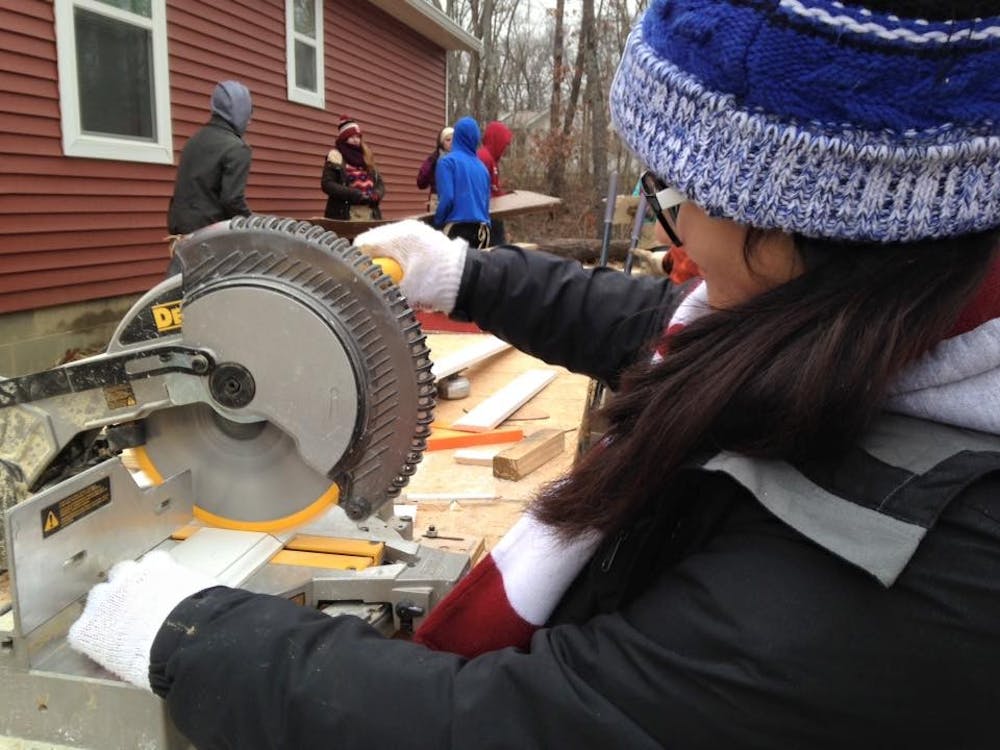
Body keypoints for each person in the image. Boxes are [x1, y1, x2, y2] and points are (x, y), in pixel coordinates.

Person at [69, 1, 1000, 747]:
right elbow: (663, 328)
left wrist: (196, 639)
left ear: (810, 227)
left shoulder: (921, 568)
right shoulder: (895, 330)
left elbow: (526, 720)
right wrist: (464, 274)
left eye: (676, 198)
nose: (670, 230)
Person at [167, 80, 253, 235]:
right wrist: (254, 225)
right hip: (210, 237)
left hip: (179, 230)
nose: (249, 122)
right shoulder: (236, 148)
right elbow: (232, 200)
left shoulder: (193, 141)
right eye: (248, 114)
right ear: (239, 111)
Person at [432, 116, 491, 249]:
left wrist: (437, 223)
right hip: (483, 231)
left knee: (452, 270)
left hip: (457, 230)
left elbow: (447, 198)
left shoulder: (447, 162)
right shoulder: (482, 168)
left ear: (457, 136)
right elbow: (486, 204)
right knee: (477, 270)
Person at [321, 116, 385, 221]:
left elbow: (379, 183)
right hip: (345, 213)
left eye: (358, 137)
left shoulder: (366, 156)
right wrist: (354, 194)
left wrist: (377, 194)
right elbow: (327, 184)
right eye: (351, 137)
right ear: (344, 138)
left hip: (369, 212)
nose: (356, 140)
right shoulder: (336, 156)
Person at [477, 120, 513, 244]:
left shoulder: (492, 160)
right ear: (496, 140)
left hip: (494, 215)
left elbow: (494, 189)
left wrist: (506, 196)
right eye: (504, 144)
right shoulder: (483, 158)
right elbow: (483, 191)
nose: (505, 149)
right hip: (487, 217)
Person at [415, 126, 454, 212]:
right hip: (437, 199)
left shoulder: (460, 158)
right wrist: (432, 165)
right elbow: (421, 182)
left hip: (456, 200)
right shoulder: (434, 159)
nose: (451, 142)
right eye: (448, 140)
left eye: (454, 140)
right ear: (441, 142)